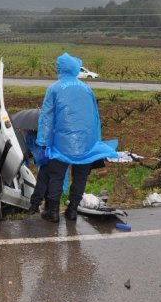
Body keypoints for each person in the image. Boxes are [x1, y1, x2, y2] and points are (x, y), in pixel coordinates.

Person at [36, 53, 117, 222]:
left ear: (60, 69)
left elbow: (46, 118)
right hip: (86, 142)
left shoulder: (54, 88)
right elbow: (94, 117)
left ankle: (53, 212)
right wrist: (96, 141)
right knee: (80, 177)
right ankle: (72, 210)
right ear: (74, 68)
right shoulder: (87, 89)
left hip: (61, 143)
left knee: (56, 176)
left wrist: (43, 141)